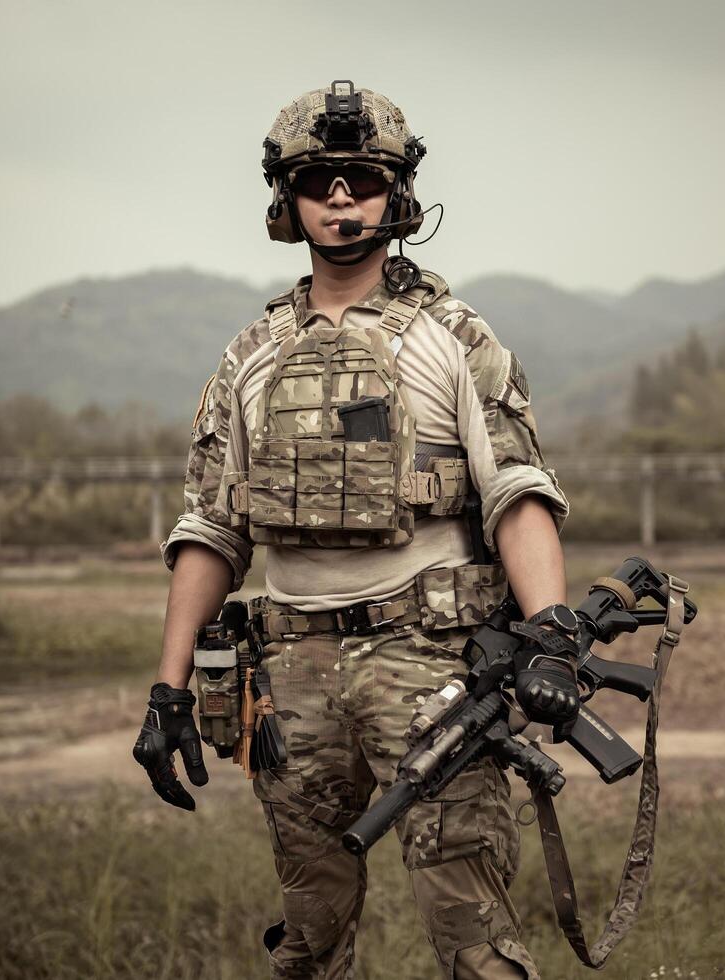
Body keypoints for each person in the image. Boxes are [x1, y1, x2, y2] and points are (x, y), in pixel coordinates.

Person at [133, 80, 583, 979]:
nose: (342, 198)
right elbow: (212, 528)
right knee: (307, 943)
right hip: (289, 676)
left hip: (427, 661)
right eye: (319, 180)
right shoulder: (250, 354)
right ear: (287, 200)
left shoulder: (455, 336)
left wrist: (551, 633)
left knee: (476, 940)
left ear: (397, 195)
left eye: (363, 179)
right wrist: (168, 688)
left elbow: (517, 492)